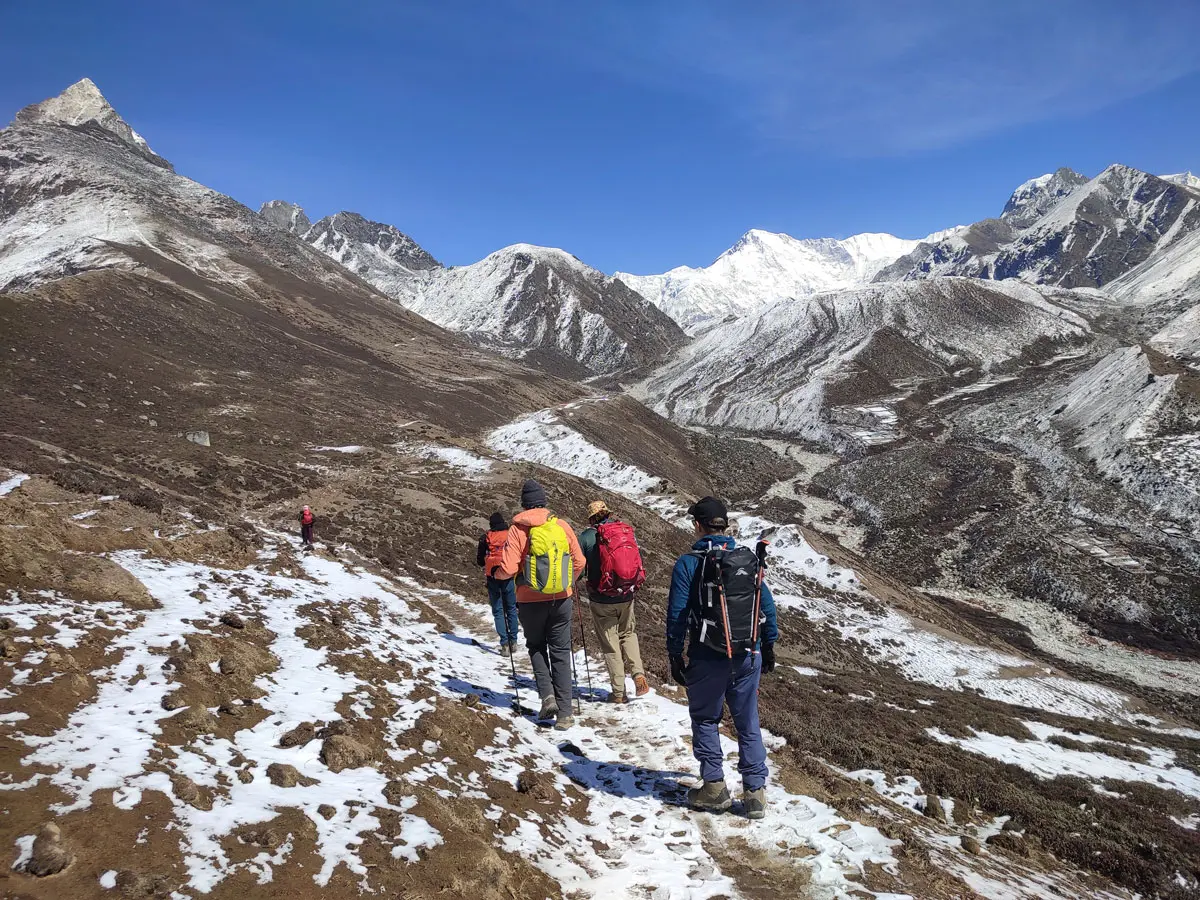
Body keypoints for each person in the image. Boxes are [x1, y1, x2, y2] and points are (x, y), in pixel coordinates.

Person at [666, 496, 778, 820]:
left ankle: (714, 787)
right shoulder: (746, 560)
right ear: (725, 525)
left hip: (707, 656)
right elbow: (766, 604)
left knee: (705, 718)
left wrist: (674, 654)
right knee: (747, 722)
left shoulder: (690, 563)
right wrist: (768, 645)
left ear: (698, 525)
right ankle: (755, 793)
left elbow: (677, 614)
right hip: (748, 655)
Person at [497, 479, 586, 731]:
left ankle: (547, 697)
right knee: (560, 652)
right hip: (561, 599)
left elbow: (509, 568)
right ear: (544, 501)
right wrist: (567, 583)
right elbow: (579, 561)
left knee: (536, 646)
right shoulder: (561, 525)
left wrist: (498, 575)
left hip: (529, 600)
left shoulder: (518, 530)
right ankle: (566, 714)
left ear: (524, 504)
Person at [579, 500, 649, 704]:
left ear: (591, 518)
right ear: (608, 513)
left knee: (611, 645)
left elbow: (580, 569)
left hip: (601, 599)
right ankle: (638, 674)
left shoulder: (586, 537)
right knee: (628, 633)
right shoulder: (624, 530)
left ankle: (618, 693)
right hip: (626, 594)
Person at [477, 512, 519, 655]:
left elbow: (480, 561)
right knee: (511, 608)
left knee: (498, 610)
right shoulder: (510, 535)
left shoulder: (486, 538)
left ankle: (504, 644)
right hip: (508, 575)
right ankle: (513, 641)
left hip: (492, 577)